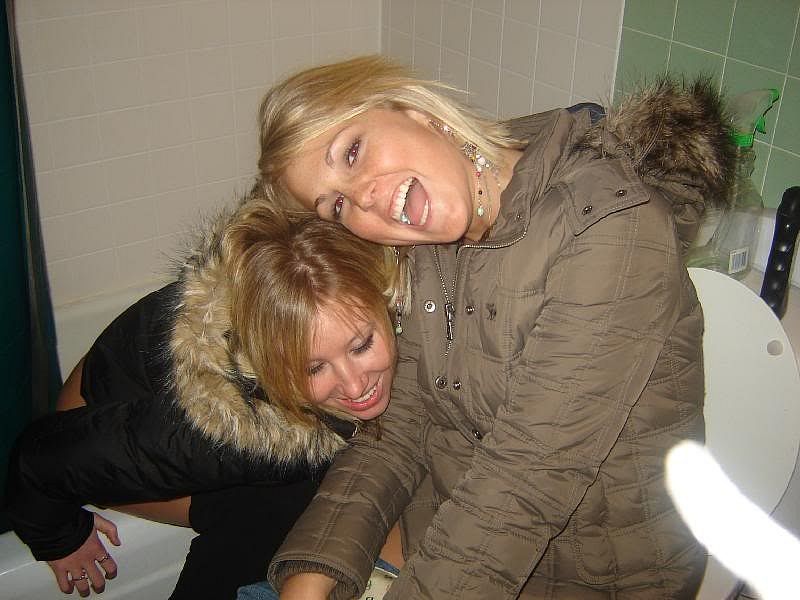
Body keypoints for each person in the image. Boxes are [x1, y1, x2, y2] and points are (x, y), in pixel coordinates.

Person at [251, 55, 737, 599]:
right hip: (460, 546)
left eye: (352, 152)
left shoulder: (611, 227)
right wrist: (312, 571)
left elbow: (527, 476)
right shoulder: (430, 239)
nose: (363, 197)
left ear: (414, 111)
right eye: (337, 205)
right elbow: (402, 429)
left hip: (598, 579)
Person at [4, 196, 404, 599]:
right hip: (98, 417)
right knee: (287, 504)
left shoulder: (341, 287)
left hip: (141, 368)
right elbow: (39, 459)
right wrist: (59, 537)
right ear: (271, 367)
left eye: (361, 345)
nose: (356, 386)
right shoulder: (219, 428)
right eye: (314, 368)